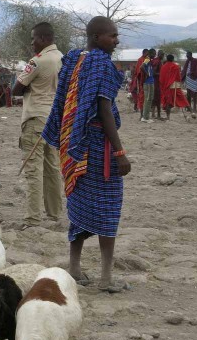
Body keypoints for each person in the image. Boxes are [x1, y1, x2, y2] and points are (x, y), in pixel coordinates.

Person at [42, 16, 131, 292]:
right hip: (96, 147)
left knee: (79, 205)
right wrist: (119, 151)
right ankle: (106, 278)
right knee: (108, 207)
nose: (116, 40)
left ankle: (75, 268)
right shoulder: (101, 64)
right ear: (96, 38)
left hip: (73, 144)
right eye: (112, 36)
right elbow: (104, 109)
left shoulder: (75, 60)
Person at [12, 22, 64, 229]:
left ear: (43, 39)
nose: (32, 42)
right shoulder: (62, 58)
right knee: (52, 167)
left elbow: (16, 89)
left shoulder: (37, 61)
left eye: (33, 38)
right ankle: (54, 214)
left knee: (33, 169)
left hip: (35, 118)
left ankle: (33, 218)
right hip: (53, 119)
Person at [159, 54, 190, 121]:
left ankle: (168, 117)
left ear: (167, 59)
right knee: (182, 99)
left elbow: (161, 78)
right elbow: (178, 77)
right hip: (175, 86)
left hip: (166, 87)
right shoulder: (175, 66)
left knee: (168, 101)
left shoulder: (163, 67)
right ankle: (191, 112)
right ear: (173, 59)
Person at [139, 49, 156, 123]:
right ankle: (145, 117)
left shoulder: (149, 60)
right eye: (154, 54)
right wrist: (147, 74)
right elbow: (141, 67)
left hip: (150, 82)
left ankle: (145, 116)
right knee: (148, 99)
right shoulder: (147, 59)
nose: (155, 55)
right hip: (148, 82)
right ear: (151, 53)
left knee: (149, 99)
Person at [151, 50, 164, 119]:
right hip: (156, 82)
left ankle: (153, 113)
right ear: (159, 54)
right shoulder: (157, 61)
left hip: (155, 82)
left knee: (154, 98)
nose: (163, 56)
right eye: (162, 54)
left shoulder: (155, 60)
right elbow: (154, 73)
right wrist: (162, 74)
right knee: (157, 98)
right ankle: (158, 114)